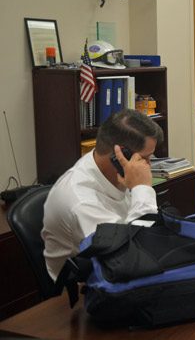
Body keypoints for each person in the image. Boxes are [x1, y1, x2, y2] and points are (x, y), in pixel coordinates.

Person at [42, 109, 164, 280]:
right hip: (85, 285)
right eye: (145, 159)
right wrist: (142, 188)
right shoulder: (81, 202)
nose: (148, 167)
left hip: (115, 262)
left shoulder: (106, 168)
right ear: (119, 156)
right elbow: (135, 256)